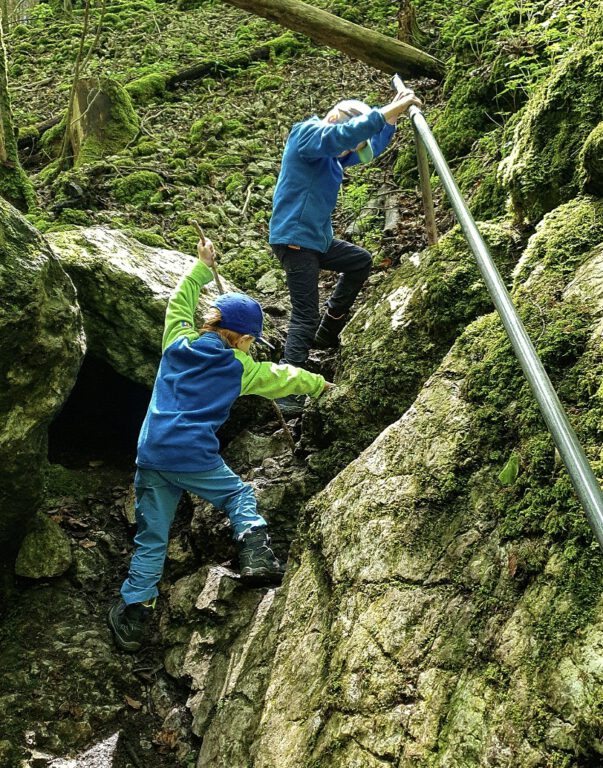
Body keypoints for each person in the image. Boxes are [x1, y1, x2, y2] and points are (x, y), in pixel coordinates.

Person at [108, 238, 331, 652]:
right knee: (238, 495)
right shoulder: (241, 368)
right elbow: (283, 376)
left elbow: (178, 302)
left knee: (152, 537)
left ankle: (135, 611)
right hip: (193, 457)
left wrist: (200, 265)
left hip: (152, 454)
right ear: (244, 339)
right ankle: (256, 550)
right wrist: (319, 385)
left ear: (209, 323)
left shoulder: (177, 342)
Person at [269, 89, 422, 415]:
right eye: (349, 146)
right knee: (304, 314)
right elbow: (345, 136)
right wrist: (395, 106)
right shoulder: (308, 136)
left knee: (359, 261)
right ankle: (286, 391)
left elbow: (369, 149)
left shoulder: (333, 155)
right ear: (335, 118)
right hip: (296, 241)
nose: (351, 152)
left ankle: (327, 333)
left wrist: (392, 115)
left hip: (315, 240)